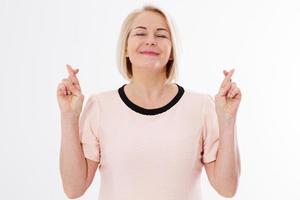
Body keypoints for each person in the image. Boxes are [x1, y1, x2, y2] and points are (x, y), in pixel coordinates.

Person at [57, 5, 241, 200]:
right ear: (126, 48)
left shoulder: (201, 106)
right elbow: (73, 188)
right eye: (140, 33)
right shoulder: (100, 106)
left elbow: (227, 188)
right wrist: (69, 116)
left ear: (171, 51)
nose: (151, 41)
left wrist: (227, 120)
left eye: (161, 35)